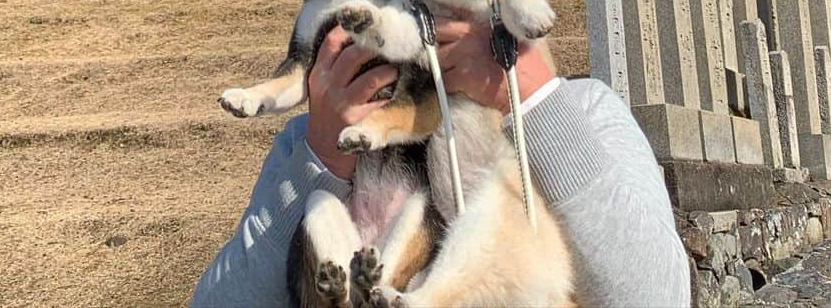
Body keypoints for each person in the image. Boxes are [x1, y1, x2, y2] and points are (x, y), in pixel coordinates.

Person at [191, 19, 691, 308]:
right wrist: (323, 155)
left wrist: (532, 95)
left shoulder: (582, 109)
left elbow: (658, 296)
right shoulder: (305, 143)